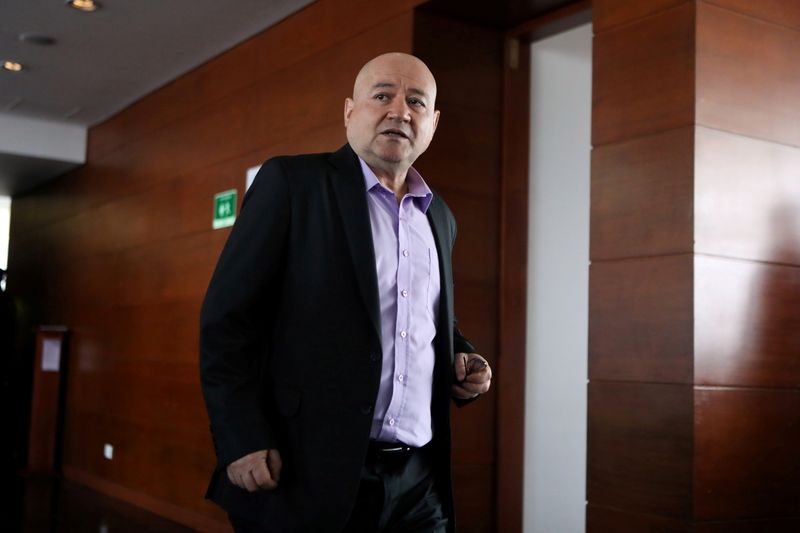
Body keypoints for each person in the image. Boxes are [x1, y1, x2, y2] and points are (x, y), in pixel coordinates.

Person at [200, 52, 492, 533]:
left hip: (418, 481)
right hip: (304, 473)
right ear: (350, 112)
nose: (400, 111)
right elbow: (228, 319)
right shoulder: (293, 184)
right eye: (382, 96)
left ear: (433, 124)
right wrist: (240, 436)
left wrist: (463, 358)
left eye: (416, 102)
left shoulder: (439, 217)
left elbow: (426, 318)